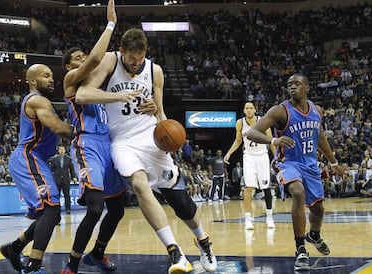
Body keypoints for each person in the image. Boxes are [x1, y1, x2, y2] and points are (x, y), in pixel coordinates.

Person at [77, 28, 217, 273]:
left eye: (140, 57)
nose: (136, 62)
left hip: (151, 136)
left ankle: (203, 241)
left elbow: (161, 113)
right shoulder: (111, 61)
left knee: (181, 203)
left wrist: (158, 115)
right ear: (122, 52)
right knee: (140, 184)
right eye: (132, 58)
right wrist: (116, 97)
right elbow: (82, 94)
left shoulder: (155, 71)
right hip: (122, 141)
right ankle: (175, 252)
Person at [60, 1, 137, 273]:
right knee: (94, 209)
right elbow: (95, 59)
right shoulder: (71, 81)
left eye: (83, 57)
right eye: (77, 58)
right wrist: (111, 25)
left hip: (108, 145)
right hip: (87, 144)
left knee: (117, 209)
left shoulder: (98, 88)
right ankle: (71, 265)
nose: (84, 60)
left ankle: (98, 253)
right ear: (69, 66)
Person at [246, 73, 345, 271]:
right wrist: (274, 140)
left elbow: (321, 138)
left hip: (309, 165)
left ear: (306, 88)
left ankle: (314, 236)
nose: (292, 87)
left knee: (318, 209)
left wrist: (334, 163)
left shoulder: (317, 111)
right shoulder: (280, 111)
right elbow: (252, 132)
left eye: (297, 84)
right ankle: (300, 249)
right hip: (287, 163)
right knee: (298, 193)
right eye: (290, 84)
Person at [0, 64, 73, 274]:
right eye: (46, 76)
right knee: (51, 208)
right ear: (32, 80)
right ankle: (33, 266)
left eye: (52, 76)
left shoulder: (40, 100)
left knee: (51, 215)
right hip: (28, 157)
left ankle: (14, 248)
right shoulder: (37, 100)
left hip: (35, 158)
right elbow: (58, 127)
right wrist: (84, 132)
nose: (51, 79)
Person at [223, 102, 276, 230]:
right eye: (247, 108)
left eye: (251, 108)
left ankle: (269, 217)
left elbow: (271, 141)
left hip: (262, 156)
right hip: (249, 157)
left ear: (255, 110)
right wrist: (229, 153)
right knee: (248, 188)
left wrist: (276, 157)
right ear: (244, 110)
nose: (249, 110)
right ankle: (248, 219)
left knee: (266, 187)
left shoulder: (262, 121)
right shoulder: (240, 123)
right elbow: (238, 141)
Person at [49, 145, 77, 214]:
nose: (62, 151)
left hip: (66, 180)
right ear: (58, 150)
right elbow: (50, 170)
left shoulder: (68, 159)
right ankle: (57, 210)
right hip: (57, 181)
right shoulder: (54, 159)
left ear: (65, 150)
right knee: (57, 196)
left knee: (67, 195)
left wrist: (74, 177)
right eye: (60, 149)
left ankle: (68, 209)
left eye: (63, 149)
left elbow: (72, 170)